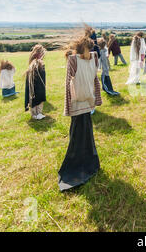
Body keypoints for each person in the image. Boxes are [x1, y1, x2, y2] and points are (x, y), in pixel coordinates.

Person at [59, 35, 102, 192]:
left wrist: (96, 100)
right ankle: (78, 164)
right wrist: (68, 107)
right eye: (86, 49)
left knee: (87, 134)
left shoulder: (93, 58)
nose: (89, 52)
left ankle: (90, 162)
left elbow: (95, 79)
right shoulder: (74, 60)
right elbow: (67, 85)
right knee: (77, 135)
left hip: (87, 103)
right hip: (77, 105)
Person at [25, 45, 46, 120]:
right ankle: (36, 113)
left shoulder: (33, 59)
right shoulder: (36, 61)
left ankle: (36, 113)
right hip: (35, 79)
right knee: (35, 94)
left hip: (34, 78)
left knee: (34, 94)